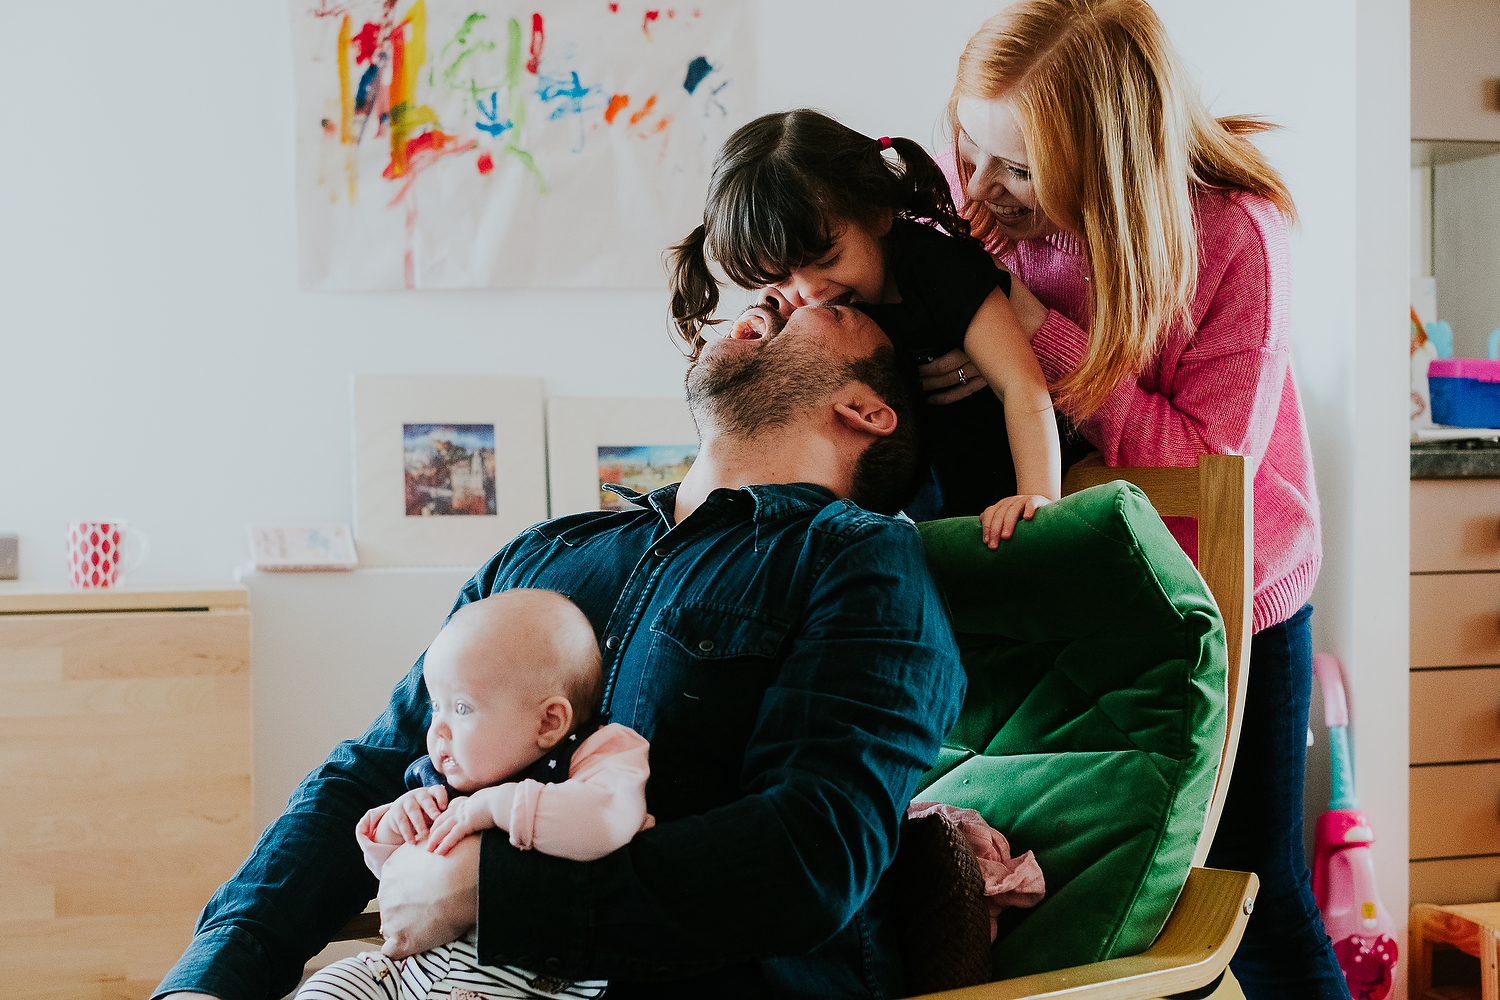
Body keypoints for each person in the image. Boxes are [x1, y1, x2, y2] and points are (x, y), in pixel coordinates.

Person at [154, 301, 967, 1000]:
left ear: (866, 408)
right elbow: (371, 770)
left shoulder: (861, 562)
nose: (771, 297)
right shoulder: (540, 556)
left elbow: (813, 855)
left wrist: (490, 891)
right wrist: (213, 977)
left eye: (816, 309)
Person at [932, 2, 1335, 997]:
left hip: (1231, 588)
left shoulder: (1234, 234)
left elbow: (1205, 468)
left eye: (1018, 171)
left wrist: (1038, 337)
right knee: (1067, 879)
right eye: (967, 149)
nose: (979, 192)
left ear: (1109, 162)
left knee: (1253, 886)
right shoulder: (980, 188)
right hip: (1066, 578)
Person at [668, 109, 1061, 544]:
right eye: (778, 276)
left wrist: (1037, 499)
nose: (810, 293)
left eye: (826, 260)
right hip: (913, 518)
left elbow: (1023, 385)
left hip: (1003, 483)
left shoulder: (939, 269)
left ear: (877, 213)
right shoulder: (794, 307)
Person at [297, 589, 653, 1000]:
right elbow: (403, 885)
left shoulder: (595, 756)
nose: (438, 730)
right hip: (407, 973)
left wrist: (493, 807)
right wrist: (397, 825)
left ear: (548, 722)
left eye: (462, 708)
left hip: (522, 983)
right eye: (436, 707)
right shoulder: (449, 777)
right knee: (330, 984)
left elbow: (605, 821)